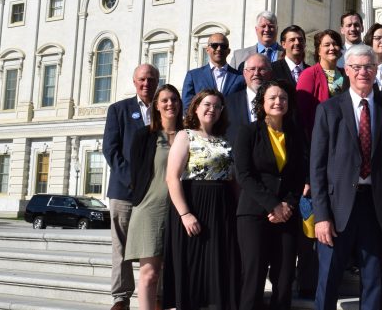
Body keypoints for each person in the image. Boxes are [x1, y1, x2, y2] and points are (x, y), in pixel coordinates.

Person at [311, 44, 382, 310]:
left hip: (374, 206)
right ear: (347, 70)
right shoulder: (329, 109)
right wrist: (322, 216)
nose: (364, 72)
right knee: (328, 278)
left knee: (372, 277)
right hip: (337, 209)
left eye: (369, 67)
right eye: (358, 67)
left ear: (376, 71)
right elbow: (317, 167)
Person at [234, 80, 309, 310]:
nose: (278, 102)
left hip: (286, 214)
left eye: (283, 98)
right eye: (273, 98)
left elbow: (299, 176)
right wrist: (273, 205)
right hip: (254, 214)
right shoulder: (248, 131)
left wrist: (286, 205)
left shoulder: (296, 133)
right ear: (262, 103)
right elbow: (244, 175)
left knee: (285, 276)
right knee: (254, 275)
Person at [164, 89, 239, 310]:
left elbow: (232, 178)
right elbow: (172, 177)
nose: (212, 110)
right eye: (207, 104)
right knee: (195, 268)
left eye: (217, 106)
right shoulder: (184, 135)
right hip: (194, 205)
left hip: (222, 207)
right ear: (196, 108)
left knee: (220, 267)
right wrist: (185, 215)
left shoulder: (224, 140)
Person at [102, 63, 159, 310]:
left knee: (156, 244)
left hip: (155, 192)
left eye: (151, 79)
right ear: (135, 82)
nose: (147, 84)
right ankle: (121, 297)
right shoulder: (118, 110)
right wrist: (133, 179)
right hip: (124, 190)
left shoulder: (164, 108)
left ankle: (158, 294)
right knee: (121, 247)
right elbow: (111, 150)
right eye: (142, 80)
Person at [124, 84, 182, 310]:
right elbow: (136, 172)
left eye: (174, 100)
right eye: (165, 100)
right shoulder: (144, 136)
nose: (170, 104)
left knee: (177, 272)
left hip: (180, 211)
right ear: (156, 106)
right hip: (149, 210)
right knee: (149, 274)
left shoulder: (188, 136)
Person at [295, 30, 346, 141]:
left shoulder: (346, 74)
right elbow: (302, 111)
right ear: (318, 50)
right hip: (319, 136)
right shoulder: (309, 74)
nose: (332, 48)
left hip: (343, 135)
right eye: (327, 45)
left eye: (335, 44)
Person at [181, 33, 245, 110]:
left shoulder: (240, 77)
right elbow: (187, 105)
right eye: (214, 45)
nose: (219, 49)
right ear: (207, 49)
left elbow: (243, 105)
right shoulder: (193, 76)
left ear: (228, 51)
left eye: (223, 46)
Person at [225, 54, 272, 145]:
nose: (256, 73)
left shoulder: (278, 103)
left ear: (270, 73)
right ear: (244, 73)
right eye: (252, 69)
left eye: (262, 69)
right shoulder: (228, 103)